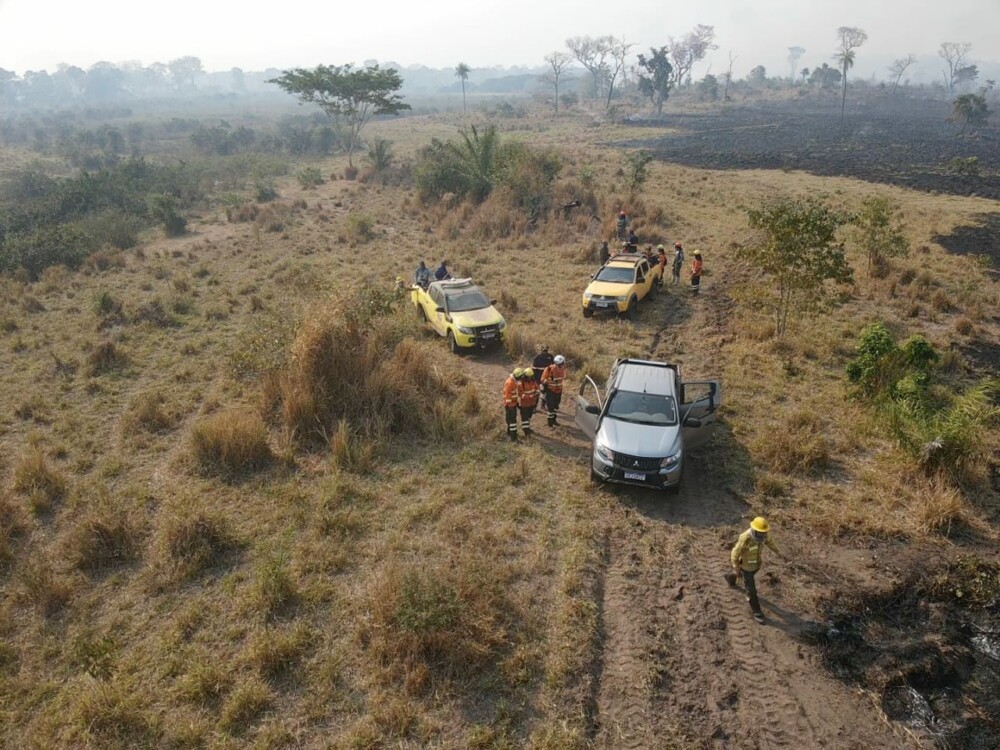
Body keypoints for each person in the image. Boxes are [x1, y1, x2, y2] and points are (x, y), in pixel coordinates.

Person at [728, 517, 783, 623]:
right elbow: (735, 553)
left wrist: (778, 552)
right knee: (751, 590)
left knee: (740, 576)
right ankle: (757, 612)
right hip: (746, 567)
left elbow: (770, 542)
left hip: (756, 565)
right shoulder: (746, 538)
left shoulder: (764, 535)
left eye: (764, 532)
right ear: (755, 530)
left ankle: (731, 577)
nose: (763, 535)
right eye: (760, 533)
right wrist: (736, 567)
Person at [541, 354, 567, 428]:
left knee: (556, 407)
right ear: (559, 363)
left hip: (558, 391)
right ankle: (550, 424)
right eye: (563, 363)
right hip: (550, 391)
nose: (564, 364)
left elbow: (562, 378)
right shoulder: (549, 369)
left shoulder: (562, 369)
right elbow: (542, 379)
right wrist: (550, 382)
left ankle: (554, 420)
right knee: (551, 408)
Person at [517, 368, 540, 437]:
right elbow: (521, 394)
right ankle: (526, 432)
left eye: (531, 376)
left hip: (531, 403)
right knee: (525, 418)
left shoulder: (533, 381)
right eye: (529, 377)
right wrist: (530, 396)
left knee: (529, 417)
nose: (530, 378)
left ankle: (527, 428)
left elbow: (537, 387)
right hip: (524, 404)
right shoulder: (521, 384)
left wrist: (538, 392)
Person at [502, 368, 522, 442]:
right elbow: (507, 396)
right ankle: (513, 438)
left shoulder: (514, 381)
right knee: (512, 421)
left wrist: (516, 403)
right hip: (509, 405)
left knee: (510, 420)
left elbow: (515, 393)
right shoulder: (510, 383)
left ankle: (509, 433)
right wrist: (511, 406)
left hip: (513, 403)